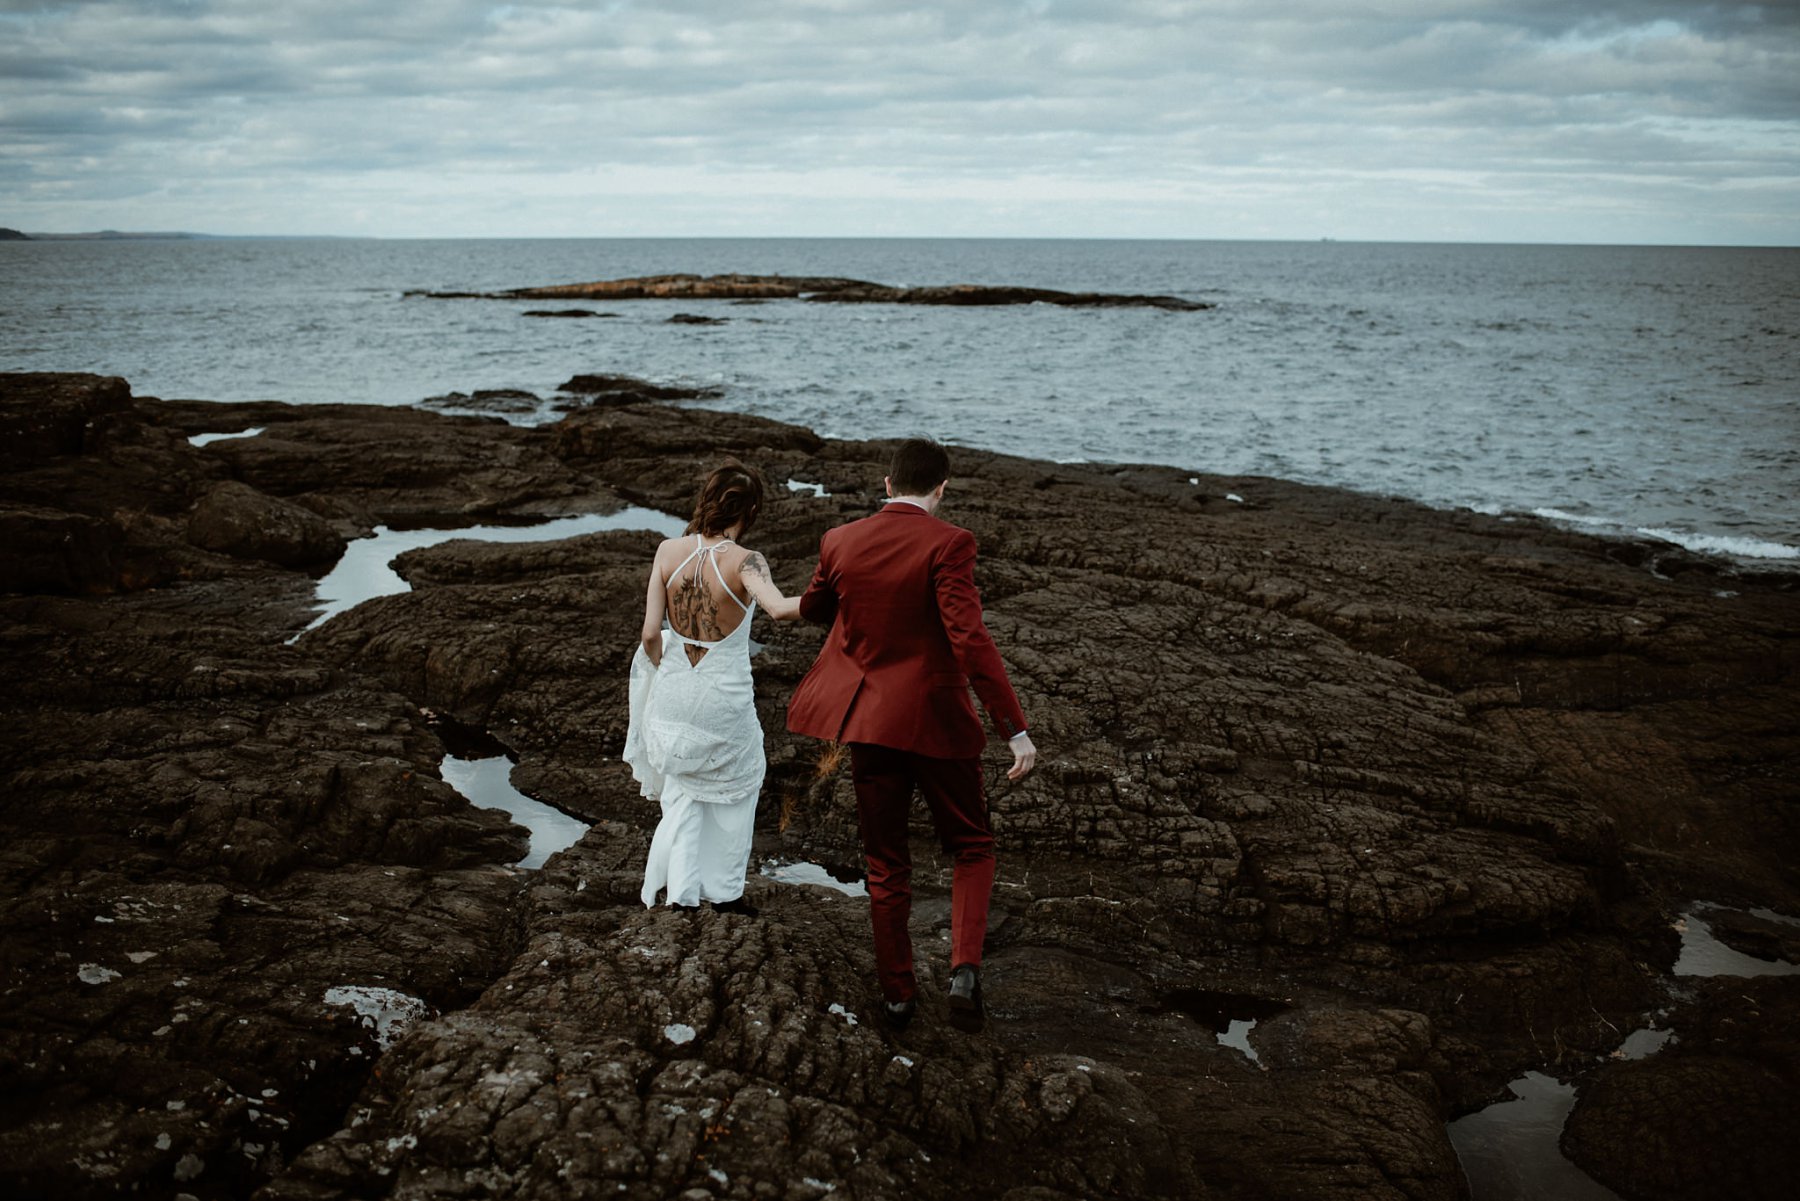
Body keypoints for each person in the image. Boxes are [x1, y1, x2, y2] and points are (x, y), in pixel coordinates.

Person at [786, 437, 1036, 1032]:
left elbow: (819, 607)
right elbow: (970, 640)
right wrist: (1015, 730)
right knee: (971, 846)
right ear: (941, 488)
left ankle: (898, 996)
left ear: (889, 483)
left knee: (885, 862)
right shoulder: (951, 542)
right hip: (938, 723)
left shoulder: (839, 539)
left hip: (869, 723)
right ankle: (964, 971)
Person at [626, 460, 801, 914]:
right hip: (722, 697)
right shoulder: (747, 561)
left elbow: (649, 634)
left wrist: (674, 670)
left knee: (682, 788)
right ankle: (723, 893)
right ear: (753, 509)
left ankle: (682, 894)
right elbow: (780, 610)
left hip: (673, 690)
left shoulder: (667, 551)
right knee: (741, 781)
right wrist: (837, 593)